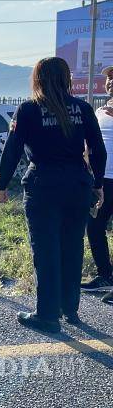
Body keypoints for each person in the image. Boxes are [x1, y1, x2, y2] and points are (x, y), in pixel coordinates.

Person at [0, 57, 106, 333]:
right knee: (72, 247)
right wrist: (97, 183)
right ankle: (70, 310)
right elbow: (97, 149)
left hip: (43, 185)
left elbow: (12, 150)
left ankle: (47, 315)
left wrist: (2, 185)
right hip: (78, 185)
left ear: (38, 79)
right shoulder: (82, 108)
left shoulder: (29, 110)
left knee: (45, 250)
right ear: (67, 78)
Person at [82, 65, 113, 296]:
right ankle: (105, 275)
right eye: (109, 78)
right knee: (94, 227)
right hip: (102, 180)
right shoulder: (100, 111)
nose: (110, 82)